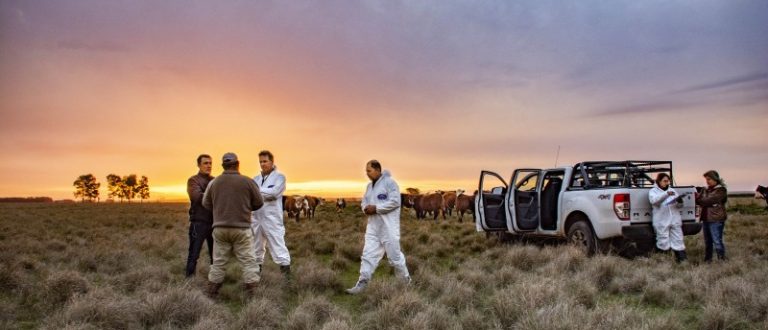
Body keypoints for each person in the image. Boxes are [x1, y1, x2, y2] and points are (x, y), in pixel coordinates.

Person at [202, 152, 264, 299]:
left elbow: (205, 203)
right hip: (242, 228)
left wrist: (220, 210)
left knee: (218, 263)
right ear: (237, 164)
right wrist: (245, 208)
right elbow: (259, 202)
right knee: (249, 262)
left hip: (220, 229)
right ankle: (254, 298)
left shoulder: (214, 182)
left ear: (223, 165)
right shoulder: (248, 182)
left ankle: (211, 296)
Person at [346, 160, 410, 294]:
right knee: (367, 255)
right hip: (373, 228)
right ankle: (362, 283)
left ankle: (405, 282)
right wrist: (365, 208)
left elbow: (395, 202)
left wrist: (377, 208)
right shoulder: (369, 187)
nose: (367, 174)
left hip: (388, 228)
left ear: (377, 170)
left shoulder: (390, 183)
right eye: (366, 171)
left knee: (395, 258)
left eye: (369, 171)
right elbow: (364, 201)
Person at [250, 150, 291, 279]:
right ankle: (256, 279)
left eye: (265, 161)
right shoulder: (255, 179)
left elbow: (274, 193)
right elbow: (251, 197)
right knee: (256, 250)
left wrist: (256, 191)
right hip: (256, 219)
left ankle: (287, 281)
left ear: (272, 162)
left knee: (279, 249)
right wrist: (261, 193)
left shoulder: (280, 177)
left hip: (272, 220)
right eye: (260, 162)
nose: (262, 164)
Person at [185, 154, 215, 278]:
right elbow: (196, 197)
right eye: (205, 163)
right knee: (194, 254)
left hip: (214, 223)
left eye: (210, 163)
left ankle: (215, 281)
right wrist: (215, 196)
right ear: (199, 165)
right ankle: (189, 281)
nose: (208, 166)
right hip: (199, 223)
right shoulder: (193, 180)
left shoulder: (215, 180)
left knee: (216, 256)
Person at [648, 173, 687, 263]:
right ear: (659, 181)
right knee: (663, 241)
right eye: (664, 181)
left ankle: (682, 260)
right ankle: (663, 262)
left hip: (674, 219)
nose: (667, 183)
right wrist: (666, 194)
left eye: (668, 181)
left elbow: (679, 206)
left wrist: (680, 201)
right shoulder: (653, 191)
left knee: (678, 240)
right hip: (661, 220)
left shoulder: (672, 190)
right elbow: (654, 201)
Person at [696, 170, 728, 262]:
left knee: (717, 241)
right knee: (708, 241)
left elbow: (707, 200)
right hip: (706, 218)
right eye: (706, 179)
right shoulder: (706, 189)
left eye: (709, 179)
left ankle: (721, 260)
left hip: (716, 219)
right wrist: (702, 200)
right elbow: (700, 199)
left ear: (715, 179)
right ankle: (708, 260)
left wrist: (702, 200)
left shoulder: (721, 190)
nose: (707, 181)